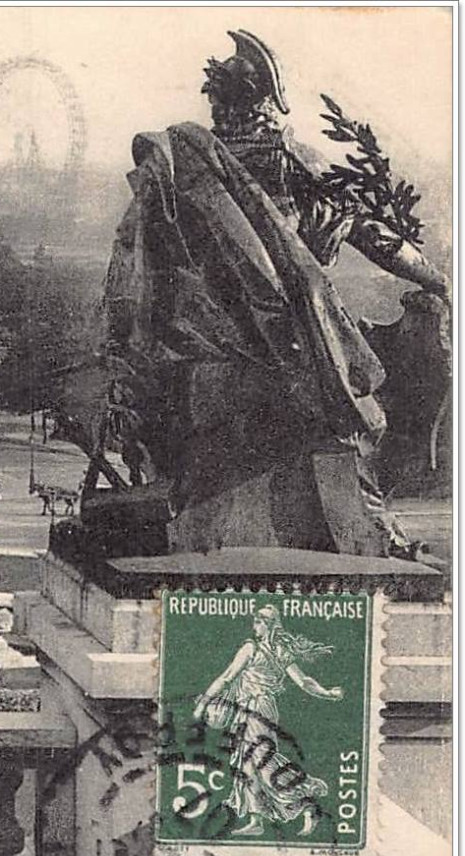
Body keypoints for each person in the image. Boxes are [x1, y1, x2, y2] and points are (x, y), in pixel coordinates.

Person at [101, 30, 448, 559]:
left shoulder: (176, 165)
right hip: (293, 348)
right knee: (345, 406)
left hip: (203, 353)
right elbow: (376, 239)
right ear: (268, 103)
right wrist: (437, 280)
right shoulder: (292, 165)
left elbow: (133, 266)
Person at [193, 605, 339, 837]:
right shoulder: (280, 651)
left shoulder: (251, 648)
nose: (255, 626)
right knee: (247, 763)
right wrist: (327, 693)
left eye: (259, 621)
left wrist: (203, 703)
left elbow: (227, 677)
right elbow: (305, 682)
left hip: (255, 709)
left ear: (268, 625)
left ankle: (306, 801)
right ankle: (257, 818)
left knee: (261, 760)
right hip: (256, 709)